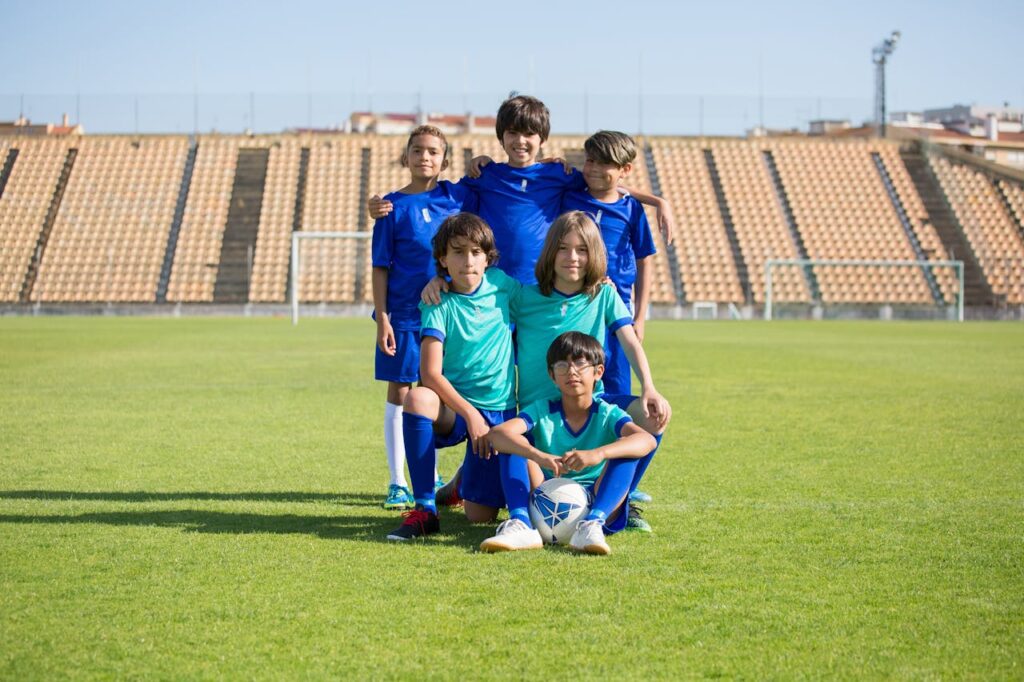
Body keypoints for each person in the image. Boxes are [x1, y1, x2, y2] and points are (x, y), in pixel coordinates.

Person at [481, 211, 671, 549]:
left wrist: (649, 387)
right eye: (564, 248)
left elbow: (629, 340)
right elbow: (479, 288)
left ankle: (612, 505)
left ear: (593, 254)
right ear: (551, 251)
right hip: (540, 417)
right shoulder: (524, 298)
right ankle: (519, 521)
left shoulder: (603, 295)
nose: (572, 258)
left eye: (582, 250)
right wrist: (442, 280)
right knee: (485, 492)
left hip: (587, 408)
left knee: (652, 418)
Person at [386, 213, 520, 541]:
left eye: (476, 252)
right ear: (443, 259)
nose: (467, 261)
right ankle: (425, 509)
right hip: (455, 410)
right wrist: (470, 414)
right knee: (417, 397)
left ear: (488, 257)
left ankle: (460, 484)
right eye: (458, 252)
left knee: (479, 516)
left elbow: (547, 302)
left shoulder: (505, 287)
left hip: (498, 412)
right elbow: (429, 373)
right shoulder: (436, 301)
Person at [370, 125, 477, 510]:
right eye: (417, 150)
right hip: (402, 315)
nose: (425, 157)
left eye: (433, 151)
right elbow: (380, 267)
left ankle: (426, 473)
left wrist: (480, 162)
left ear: (445, 159)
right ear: (406, 157)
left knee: (432, 394)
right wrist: (383, 317)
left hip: (446, 315)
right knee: (400, 392)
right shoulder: (390, 207)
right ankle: (398, 481)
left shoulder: (456, 196)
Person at [483, 332, 657, 555]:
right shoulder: (542, 409)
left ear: (598, 372)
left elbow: (647, 439)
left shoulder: (606, 413)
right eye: (562, 365)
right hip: (544, 496)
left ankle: (592, 526)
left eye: (580, 364)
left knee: (627, 451)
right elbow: (497, 435)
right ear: (552, 375)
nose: (572, 372)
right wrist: (538, 455)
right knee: (512, 444)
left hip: (594, 499)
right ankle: (521, 524)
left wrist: (598, 454)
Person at [560, 131, 656, 397]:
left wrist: (639, 317)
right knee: (573, 385)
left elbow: (645, 260)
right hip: (576, 307)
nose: (593, 169)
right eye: (590, 161)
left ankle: (614, 439)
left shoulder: (631, 209)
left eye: (604, 164)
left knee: (615, 388)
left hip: (616, 309)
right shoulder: (569, 197)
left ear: (625, 169)